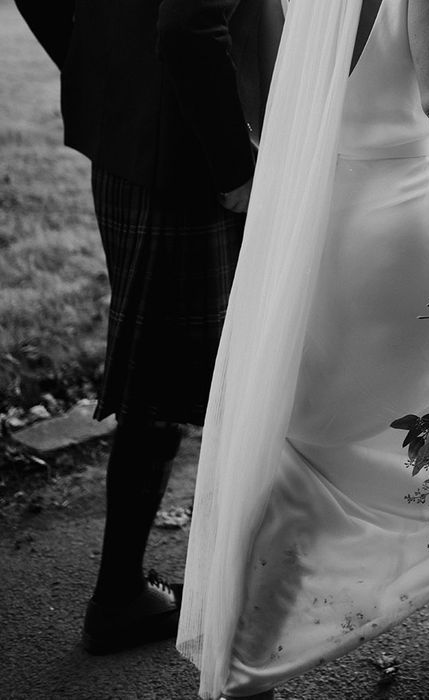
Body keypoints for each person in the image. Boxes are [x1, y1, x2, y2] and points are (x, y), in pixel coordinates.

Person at [176, 1, 429, 698]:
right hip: (403, 231)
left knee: (306, 441)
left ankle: (247, 659)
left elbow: (262, 94)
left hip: (305, 233)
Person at [13, 0, 264, 654]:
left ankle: (130, 588)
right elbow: (187, 27)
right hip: (182, 142)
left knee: (170, 366)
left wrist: (100, 62)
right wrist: (236, 170)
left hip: (133, 120)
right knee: (162, 378)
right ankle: (119, 596)